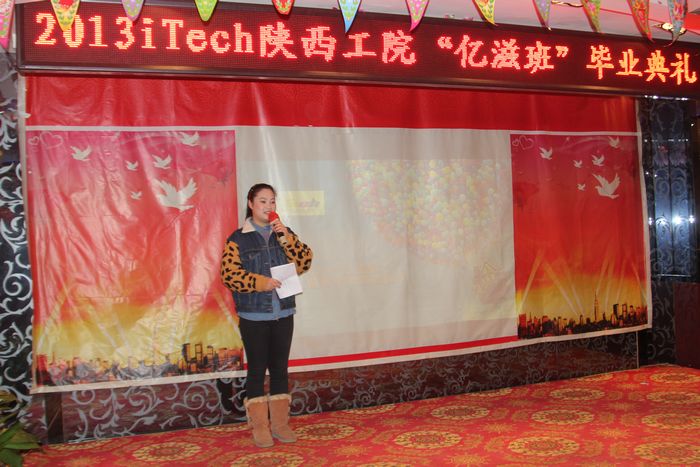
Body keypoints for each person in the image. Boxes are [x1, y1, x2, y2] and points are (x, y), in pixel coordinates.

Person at [221, 183, 313, 448]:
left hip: (283, 312)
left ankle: (281, 424)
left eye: (272, 201)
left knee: (280, 369)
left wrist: (286, 237)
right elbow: (229, 275)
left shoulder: (283, 233)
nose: (269, 206)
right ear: (251, 204)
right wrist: (260, 282)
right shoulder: (237, 239)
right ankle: (260, 427)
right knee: (257, 371)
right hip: (254, 316)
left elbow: (304, 262)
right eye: (263, 201)